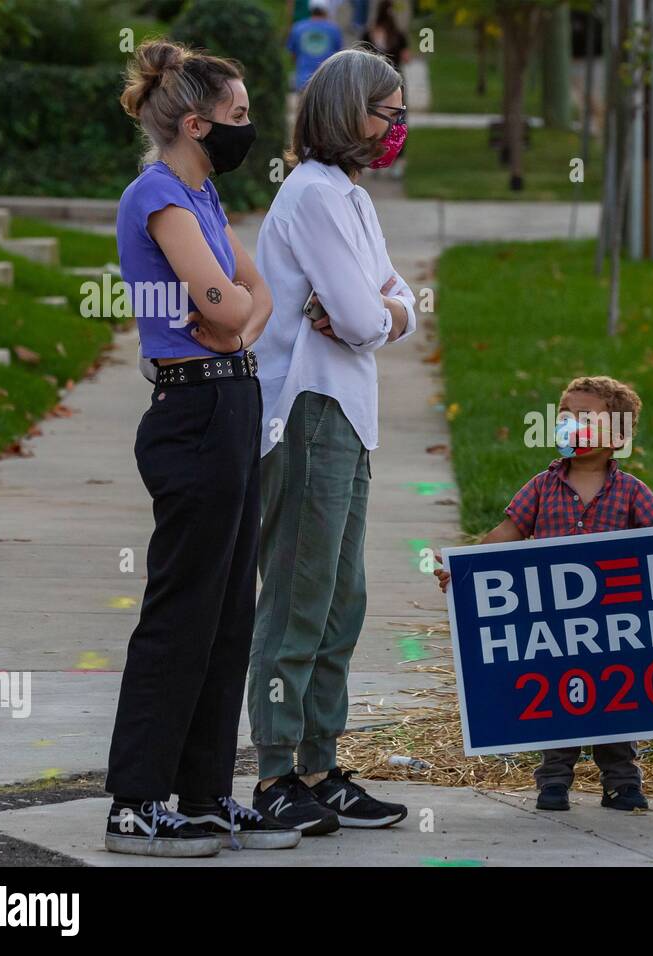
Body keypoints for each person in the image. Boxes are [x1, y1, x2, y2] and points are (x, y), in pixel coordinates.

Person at [105, 39, 298, 856]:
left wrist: (231, 321)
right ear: (194, 121)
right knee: (182, 608)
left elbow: (258, 300)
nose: (249, 131)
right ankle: (135, 803)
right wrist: (231, 319)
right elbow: (226, 308)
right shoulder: (160, 197)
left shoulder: (205, 197)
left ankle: (207, 794)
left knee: (228, 612)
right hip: (192, 413)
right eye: (239, 116)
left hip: (230, 398)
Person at [247, 48, 414, 834]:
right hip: (309, 412)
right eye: (388, 113)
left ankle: (321, 764)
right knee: (299, 602)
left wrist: (382, 312)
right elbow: (358, 317)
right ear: (348, 112)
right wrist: (376, 312)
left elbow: (391, 303)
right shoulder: (312, 195)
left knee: (342, 599)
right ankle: (276, 773)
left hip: (351, 412)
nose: (397, 128)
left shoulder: (350, 195)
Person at [434, 377, 653, 812]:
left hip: (611, 629)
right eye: (565, 416)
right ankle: (553, 781)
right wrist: (465, 568)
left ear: (618, 436)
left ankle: (621, 781)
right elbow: (508, 532)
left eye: (585, 418)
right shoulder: (542, 486)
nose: (571, 425)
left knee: (615, 704)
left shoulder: (631, 491)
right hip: (555, 629)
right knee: (557, 701)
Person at [288, 0, 344, 93]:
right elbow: (339, 55)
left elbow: (293, 56)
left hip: (302, 81)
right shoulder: (334, 29)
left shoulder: (298, 27)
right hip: (326, 82)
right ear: (326, 10)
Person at [362, 0, 409, 74]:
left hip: (374, 76)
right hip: (394, 75)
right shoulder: (399, 35)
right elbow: (406, 58)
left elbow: (361, 58)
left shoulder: (368, 34)